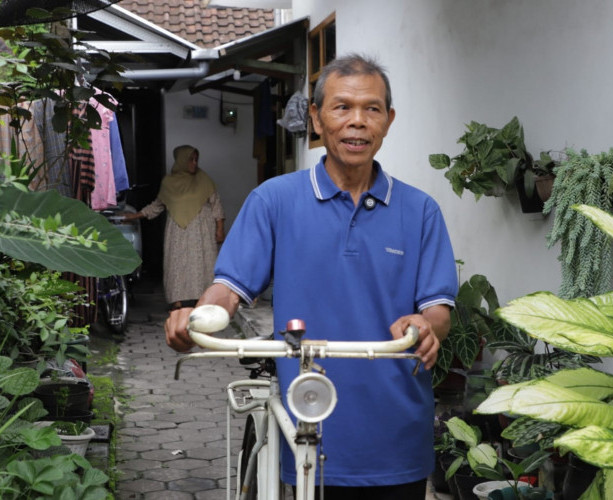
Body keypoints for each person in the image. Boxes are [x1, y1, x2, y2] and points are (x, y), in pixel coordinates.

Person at [165, 54, 457, 499]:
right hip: (307, 425)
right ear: (317, 119)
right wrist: (199, 318)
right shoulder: (274, 201)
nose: (357, 122)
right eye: (342, 108)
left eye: (372, 109)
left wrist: (424, 325)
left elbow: (437, 310)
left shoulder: (420, 211)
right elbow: (229, 289)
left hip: (396, 437)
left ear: (388, 120)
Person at [124, 145, 225, 310]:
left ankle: (204, 299)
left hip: (202, 231)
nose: (194, 163)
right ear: (181, 161)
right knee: (178, 265)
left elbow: (216, 205)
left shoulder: (204, 179)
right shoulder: (169, 182)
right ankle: (177, 300)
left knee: (203, 265)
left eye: (196, 160)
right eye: (190, 159)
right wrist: (135, 216)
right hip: (178, 232)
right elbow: (157, 206)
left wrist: (220, 228)